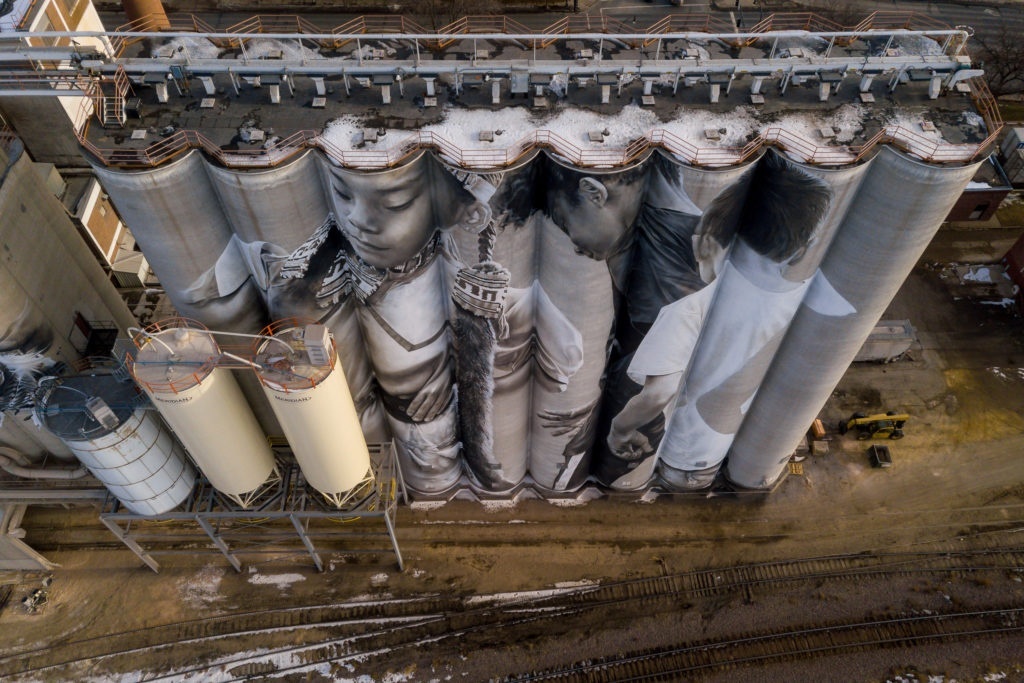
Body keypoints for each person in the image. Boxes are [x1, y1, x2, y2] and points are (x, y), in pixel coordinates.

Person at [606, 151, 854, 491]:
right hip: (740, 432)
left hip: (686, 433)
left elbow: (659, 391)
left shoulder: (691, 308)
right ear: (803, 248)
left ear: (707, 241)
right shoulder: (815, 303)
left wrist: (621, 430)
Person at [529, 155, 649, 491]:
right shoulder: (626, 253)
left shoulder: (667, 261)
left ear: (594, 194)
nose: (575, 245)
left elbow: (652, 372)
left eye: (567, 225)